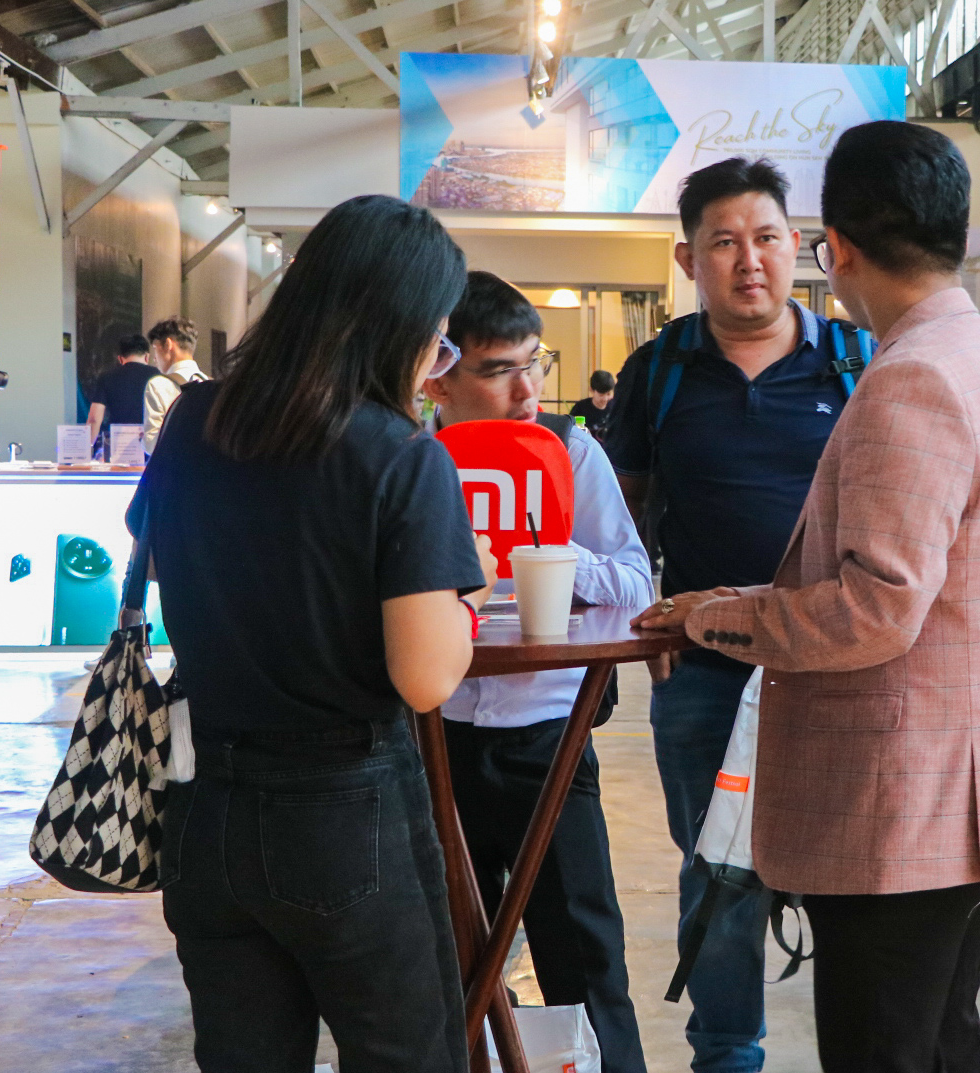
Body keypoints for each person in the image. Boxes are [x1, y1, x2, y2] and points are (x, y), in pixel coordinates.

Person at [635, 121, 980, 1073]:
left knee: (884, 1045)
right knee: (940, 1039)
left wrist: (713, 615)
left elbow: (876, 609)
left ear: (833, 248)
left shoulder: (908, 377)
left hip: (903, 795)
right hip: (956, 782)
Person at [127, 195, 494, 1072]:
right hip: (344, 810)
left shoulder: (194, 421)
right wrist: (465, 600)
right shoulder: (400, 454)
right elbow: (426, 676)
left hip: (205, 800)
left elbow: (161, 559)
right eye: (438, 342)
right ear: (403, 330)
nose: (434, 367)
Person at [603, 156, 870, 1073]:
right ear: (689, 259)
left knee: (854, 868)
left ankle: (861, 1050)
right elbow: (622, 518)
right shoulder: (660, 369)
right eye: (723, 242)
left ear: (797, 247)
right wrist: (646, 621)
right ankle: (726, 1055)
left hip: (834, 663)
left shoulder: (856, 360)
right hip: (705, 669)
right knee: (719, 868)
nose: (748, 260)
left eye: (765, 238)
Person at [423, 270, 652, 1073]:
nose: (527, 391)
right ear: (439, 375)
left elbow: (636, 585)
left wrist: (550, 552)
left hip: (549, 739)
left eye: (535, 364)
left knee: (586, 962)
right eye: (498, 370)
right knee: (443, 968)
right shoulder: (411, 456)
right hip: (433, 740)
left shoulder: (570, 450)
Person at [86, 333, 163, 458]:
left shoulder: (106, 377)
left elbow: (94, 419)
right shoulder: (158, 376)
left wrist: (86, 450)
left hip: (117, 448)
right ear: (147, 357)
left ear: (120, 359)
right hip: (150, 449)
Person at [142, 316, 207, 454]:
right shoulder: (210, 383)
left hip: (175, 464)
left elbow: (152, 445)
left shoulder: (158, 385)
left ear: (168, 345)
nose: (154, 358)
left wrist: (142, 440)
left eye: (155, 348)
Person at [569, 369, 617, 441]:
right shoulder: (580, 408)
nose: (605, 399)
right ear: (591, 390)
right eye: (601, 395)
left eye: (608, 394)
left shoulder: (615, 408)